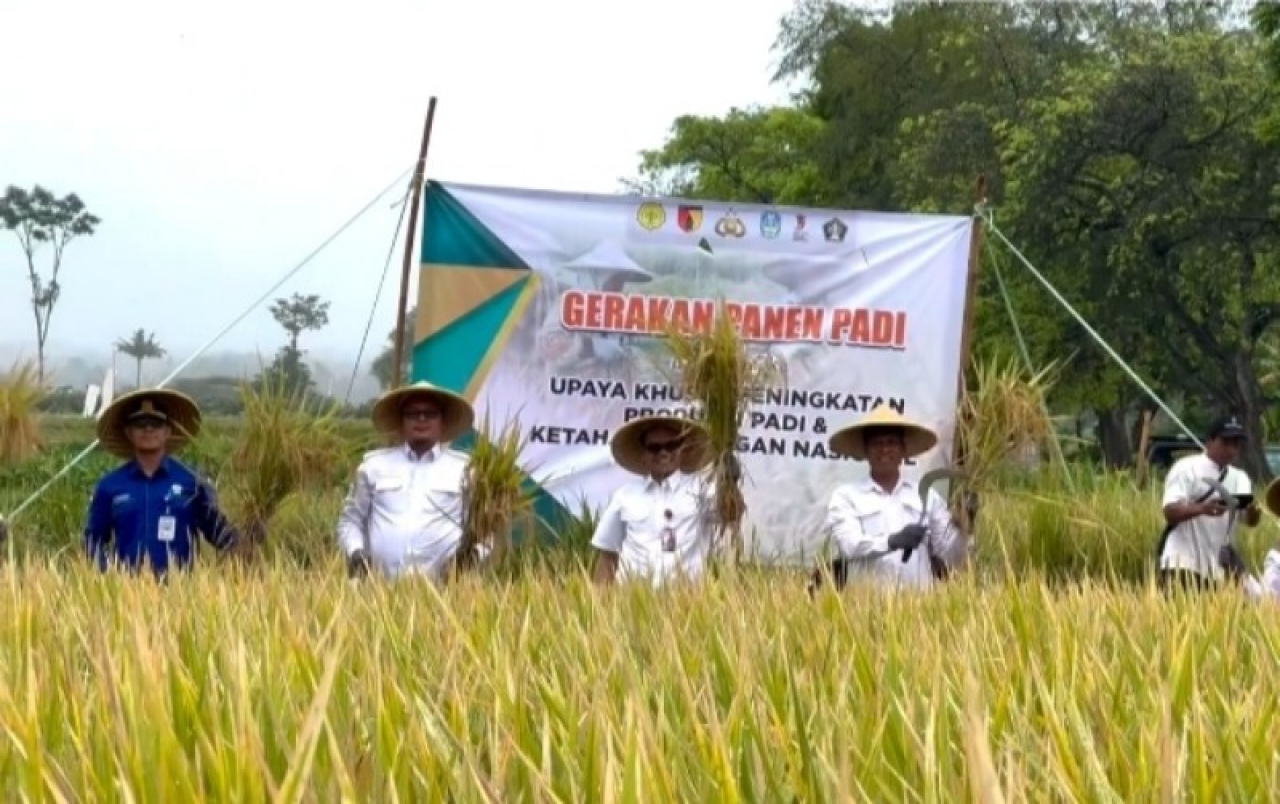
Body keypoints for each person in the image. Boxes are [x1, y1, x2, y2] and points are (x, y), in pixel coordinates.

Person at [337, 381, 488, 581]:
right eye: (412, 413)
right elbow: (350, 520)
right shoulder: (374, 466)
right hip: (378, 590)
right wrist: (355, 552)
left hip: (446, 591)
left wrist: (473, 557)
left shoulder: (466, 470)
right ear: (402, 421)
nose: (421, 419)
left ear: (442, 421)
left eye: (430, 413)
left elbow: (487, 528)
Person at [84, 388, 243, 576]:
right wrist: (107, 572)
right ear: (128, 432)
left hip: (181, 594)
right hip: (126, 594)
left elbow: (219, 533)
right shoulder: (110, 486)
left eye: (156, 423)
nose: (148, 429)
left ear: (168, 431)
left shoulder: (192, 482)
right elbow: (93, 540)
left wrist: (249, 537)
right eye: (140, 423)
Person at [817, 404, 971, 590]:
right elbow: (850, 546)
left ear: (903, 451)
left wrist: (965, 527)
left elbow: (951, 556)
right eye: (877, 444)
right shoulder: (846, 497)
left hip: (919, 607)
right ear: (866, 451)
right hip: (864, 606)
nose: (884, 450)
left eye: (891, 442)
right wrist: (891, 542)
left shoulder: (927, 497)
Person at [590, 415, 732, 587]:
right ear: (643, 454)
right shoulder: (625, 496)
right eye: (654, 448)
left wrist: (731, 482)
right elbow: (608, 554)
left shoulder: (703, 490)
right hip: (632, 600)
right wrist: (595, 606)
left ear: (683, 449)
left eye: (672, 446)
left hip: (686, 601)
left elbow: (730, 513)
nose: (663, 452)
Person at [1158, 415, 1260, 592]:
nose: (1231, 449)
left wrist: (1253, 511)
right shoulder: (1187, 468)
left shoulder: (1240, 478)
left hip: (1218, 570)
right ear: (1210, 440)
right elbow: (1170, 510)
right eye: (1225, 442)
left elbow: (1249, 521)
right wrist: (1202, 509)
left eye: (1235, 444)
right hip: (1182, 564)